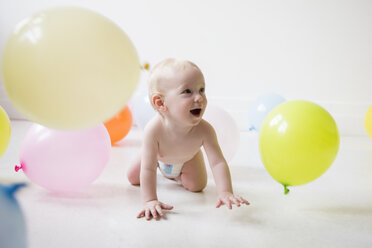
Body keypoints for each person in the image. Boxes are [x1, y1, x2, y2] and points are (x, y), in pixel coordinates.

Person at [127, 58, 249, 220]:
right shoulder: (153, 130)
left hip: (187, 159)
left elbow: (217, 162)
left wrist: (225, 191)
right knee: (133, 177)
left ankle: (175, 175)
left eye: (201, 90)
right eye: (187, 92)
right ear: (161, 102)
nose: (199, 98)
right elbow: (147, 168)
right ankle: (160, 166)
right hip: (157, 156)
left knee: (197, 186)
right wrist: (150, 200)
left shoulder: (204, 130)